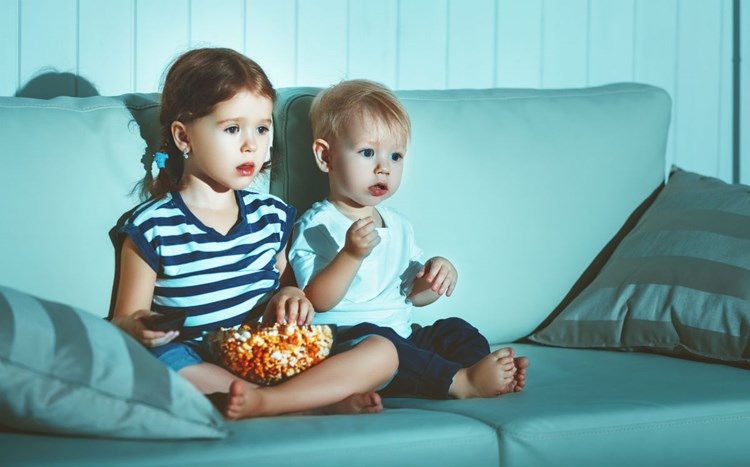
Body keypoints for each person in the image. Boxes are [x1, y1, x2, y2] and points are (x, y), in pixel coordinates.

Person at [110, 49, 397, 419]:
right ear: (184, 137)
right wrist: (139, 326)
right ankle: (305, 402)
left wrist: (291, 298)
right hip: (198, 355)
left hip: (273, 355)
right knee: (154, 361)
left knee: (382, 350)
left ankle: (271, 402)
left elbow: (289, 287)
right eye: (232, 129)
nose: (251, 144)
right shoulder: (153, 226)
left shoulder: (271, 216)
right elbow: (124, 318)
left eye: (262, 128)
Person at [289, 79, 529, 400]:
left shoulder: (399, 225)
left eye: (395, 156)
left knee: (454, 330)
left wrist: (434, 278)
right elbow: (317, 299)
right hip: (347, 342)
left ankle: (480, 369)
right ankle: (461, 382)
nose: (383, 168)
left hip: (401, 335)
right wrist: (350, 254)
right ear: (325, 157)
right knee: (381, 344)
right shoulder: (318, 223)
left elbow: (412, 296)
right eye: (368, 152)